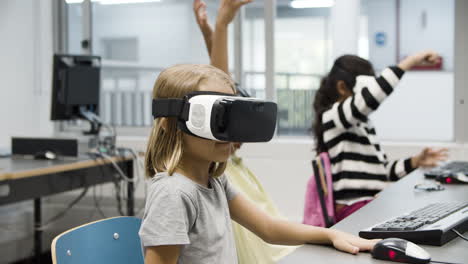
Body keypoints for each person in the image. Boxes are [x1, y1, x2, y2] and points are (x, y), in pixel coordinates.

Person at [139, 61, 378, 263]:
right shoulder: (174, 195)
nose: (230, 132)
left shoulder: (216, 182)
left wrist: (330, 236)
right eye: (217, 117)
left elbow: (269, 228)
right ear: (171, 123)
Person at [193, 0, 296, 262]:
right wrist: (222, 23)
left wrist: (211, 36)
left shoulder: (231, 164)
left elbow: (221, 82)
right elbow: (219, 87)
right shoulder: (218, 167)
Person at [312, 52, 449, 222]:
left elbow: (383, 172)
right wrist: (411, 61)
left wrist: (416, 161)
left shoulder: (363, 125)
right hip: (352, 208)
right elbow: (371, 97)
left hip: (369, 205)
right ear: (342, 87)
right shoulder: (333, 117)